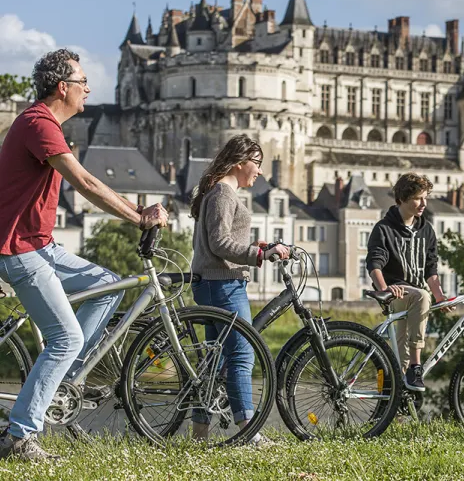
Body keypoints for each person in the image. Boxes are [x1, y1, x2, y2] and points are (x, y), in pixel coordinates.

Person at [0, 49, 168, 461]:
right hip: (19, 249)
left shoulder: (45, 124)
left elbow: (88, 182)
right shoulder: (39, 123)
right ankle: (19, 437)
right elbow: (86, 183)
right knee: (66, 337)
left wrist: (138, 211)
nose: (89, 89)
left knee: (109, 285)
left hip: (41, 245)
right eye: (83, 82)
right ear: (63, 87)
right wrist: (139, 217)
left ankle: (63, 382)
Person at [189, 134, 290, 444]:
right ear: (239, 162)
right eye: (256, 163)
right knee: (242, 355)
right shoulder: (223, 193)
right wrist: (258, 255)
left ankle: (199, 435)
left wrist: (255, 246)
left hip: (214, 282)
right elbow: (219, 243)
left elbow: (219, 240)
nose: (259, 170)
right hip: (223, 283)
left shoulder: (220, 192)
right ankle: (249, 431)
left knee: (215, 362)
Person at [367, 172, 452, 391]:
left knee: (401, 354)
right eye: (417, 198)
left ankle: (397, 397)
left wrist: (440, 296)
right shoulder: (384, 229)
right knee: (422, 296)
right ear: (402, 199)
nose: (424, 204)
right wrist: (385, 290)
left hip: (416, 295)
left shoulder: (426, 230)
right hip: (396, 292)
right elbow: (374, 264)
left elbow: (431, 269)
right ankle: (416, 366)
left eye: (425, 198)